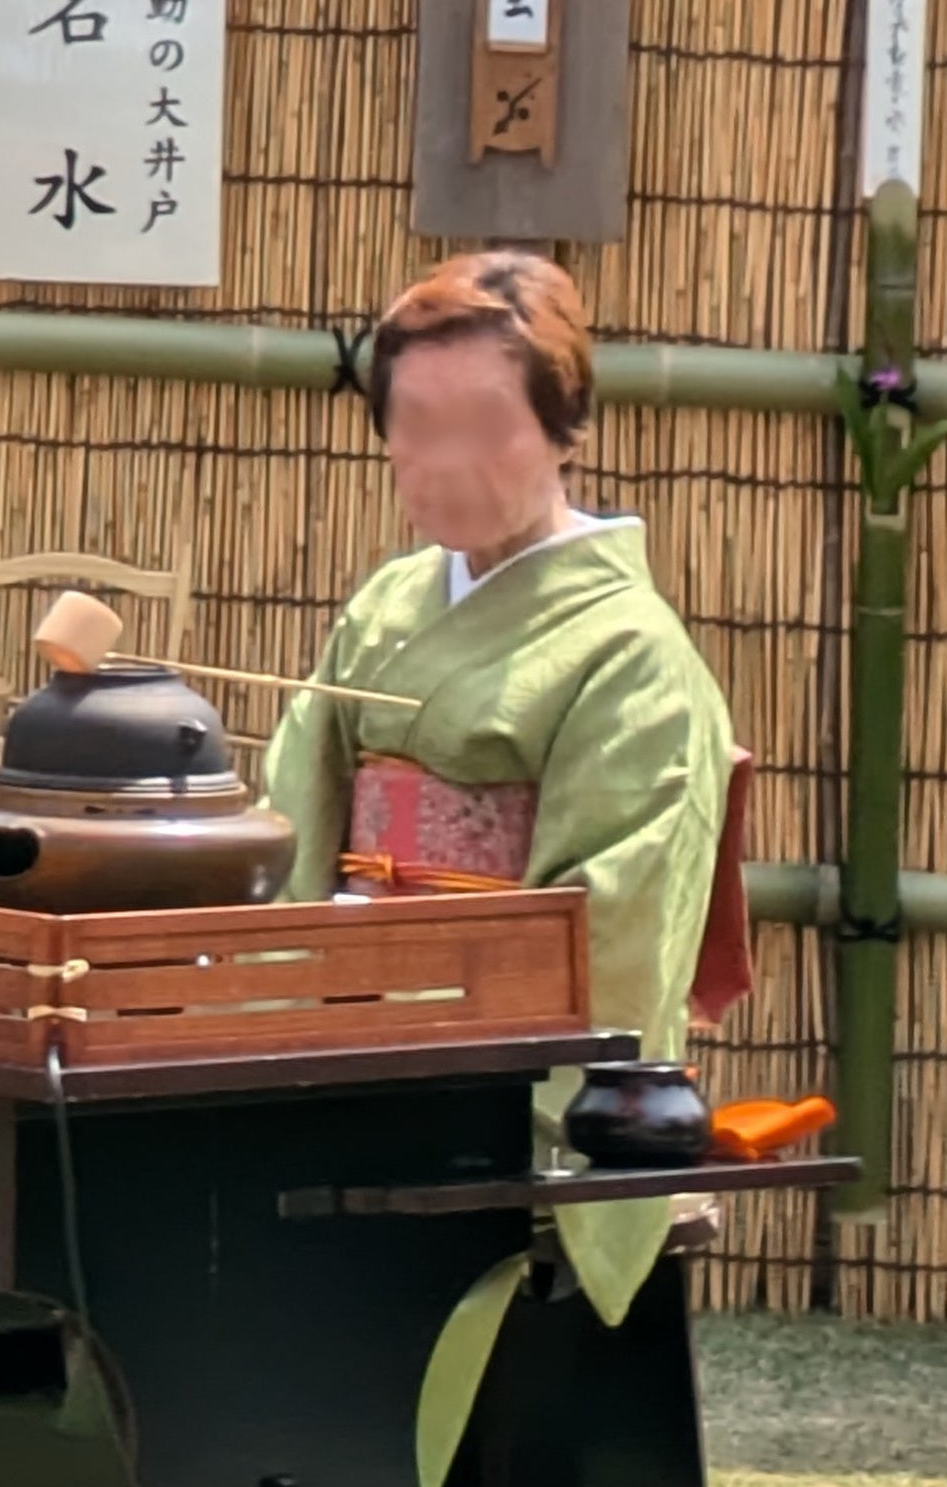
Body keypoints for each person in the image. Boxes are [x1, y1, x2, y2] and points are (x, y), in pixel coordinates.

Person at [257, 251, 749, 1340]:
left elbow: (608, 929)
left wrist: (404, 999)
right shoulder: (388, 602)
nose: (443, 463)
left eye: (484, 426)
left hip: (492, 1085)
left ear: (567, 429)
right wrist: (293, 998)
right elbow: (296, 814)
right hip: (343, 1045)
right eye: (414, 427)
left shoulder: (632, 654)